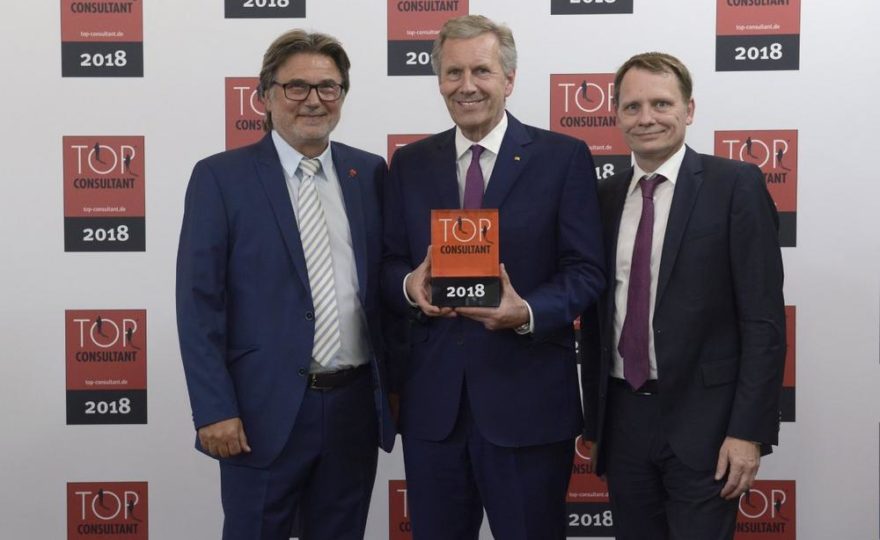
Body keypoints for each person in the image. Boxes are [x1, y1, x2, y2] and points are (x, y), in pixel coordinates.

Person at [381, 14, 605, 540]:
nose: (467, 86)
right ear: (439, 82)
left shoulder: (563, 158)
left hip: (528, 406)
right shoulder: (410, 163)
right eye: (453, 72)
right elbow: (388, 263)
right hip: (434, 412)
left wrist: (526, 311)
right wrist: (410, 287)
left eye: (481, 70)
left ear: (509, 78)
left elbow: (586, 271)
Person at [176, 29, 394, 540]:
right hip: (260, 411)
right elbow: (198, 304)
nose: (313, 100)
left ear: (342, 95)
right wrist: (214, 408)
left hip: (353, 409)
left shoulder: (370, 173)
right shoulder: (220, 179)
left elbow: (382, 289)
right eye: (296, 86)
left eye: (328, 87)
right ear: (264, 96)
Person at [580, 52, 785, 539]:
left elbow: (763, 321)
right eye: (632, 107)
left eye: (661, 103)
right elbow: (595, 317)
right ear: (616, 115)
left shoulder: (735, 186)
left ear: (688, 110)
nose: (646, 118)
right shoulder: (603, 198)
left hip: (707, 426)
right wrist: (595, 423)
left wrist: (747, 432)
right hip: (623, 419)